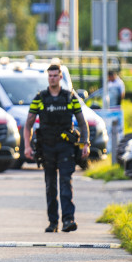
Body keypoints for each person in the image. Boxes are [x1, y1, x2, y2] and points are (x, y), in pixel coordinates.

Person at [23, 64, 89, 233]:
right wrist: (27, 146)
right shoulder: (40, 98)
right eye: (50, 75)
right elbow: (28, 124)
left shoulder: (70, 97)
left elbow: (82, 122)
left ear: (61, 77)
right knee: (50, 185)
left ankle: (68, 220)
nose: (52, 78)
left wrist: (85, 143)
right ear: (48, 78)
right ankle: (53, 223)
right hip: (46, 148)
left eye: (55, 75)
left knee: (66, 182)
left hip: (65, 147)